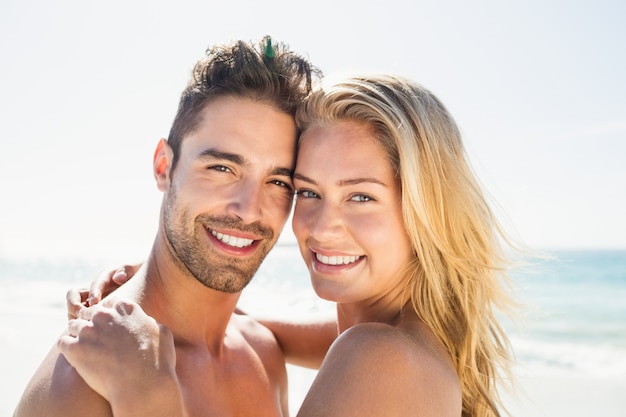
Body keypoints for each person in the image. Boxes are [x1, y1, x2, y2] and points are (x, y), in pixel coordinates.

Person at [64, 73, 519, 417]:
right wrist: (169, 302)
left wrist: (145, 391)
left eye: (361, 197)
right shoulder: (407, 336)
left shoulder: (381, 356)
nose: (322, 228)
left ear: (427, 210)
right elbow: (283, 334)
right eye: (307, 191)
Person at [13, 36, 337, 417]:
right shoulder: (82, 380)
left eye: (278, 182)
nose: (250, 210)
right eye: (222, 168)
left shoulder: (262, 352)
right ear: (164, 167)